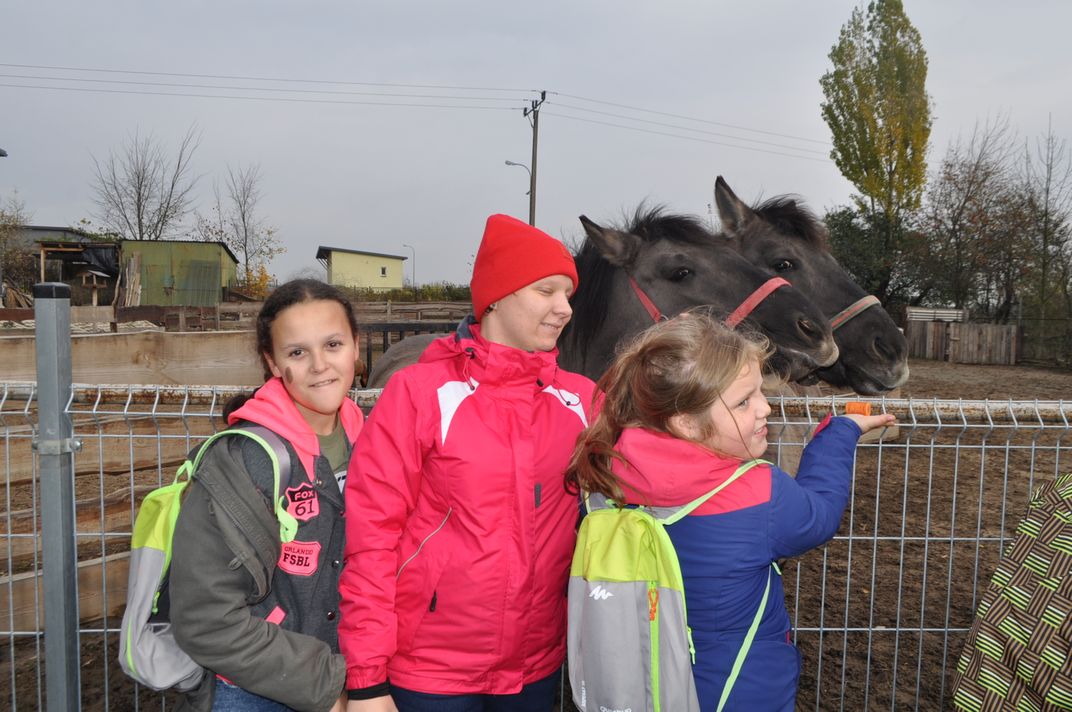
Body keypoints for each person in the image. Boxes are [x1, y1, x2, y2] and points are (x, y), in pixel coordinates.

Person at [565, 312, 895, 711]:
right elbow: (819, 516)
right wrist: (841, 433)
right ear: (687, 423)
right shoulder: (757, 492)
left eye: (760, 392)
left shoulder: (605, 472)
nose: (765, 408)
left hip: (642, 684)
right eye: (744, 401)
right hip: (739, 691)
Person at [339, 214, 597, 712]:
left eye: (568, 294)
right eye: (546, 290)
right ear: (496, 297)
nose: (564, 308)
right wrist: (367, 680)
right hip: (431, 672)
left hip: (535, 666)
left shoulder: (582, 400)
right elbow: (371, 539)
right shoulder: (420, 394)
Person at [170, 278, 366, 712]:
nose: (319, 365)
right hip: (255, 689)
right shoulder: (243, 461)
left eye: (333, 344)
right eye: (297, 352)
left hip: (355, 675)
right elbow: (206, 619)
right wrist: (326, 689)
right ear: (272, 362)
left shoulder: (374, 441)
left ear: (356, 346)